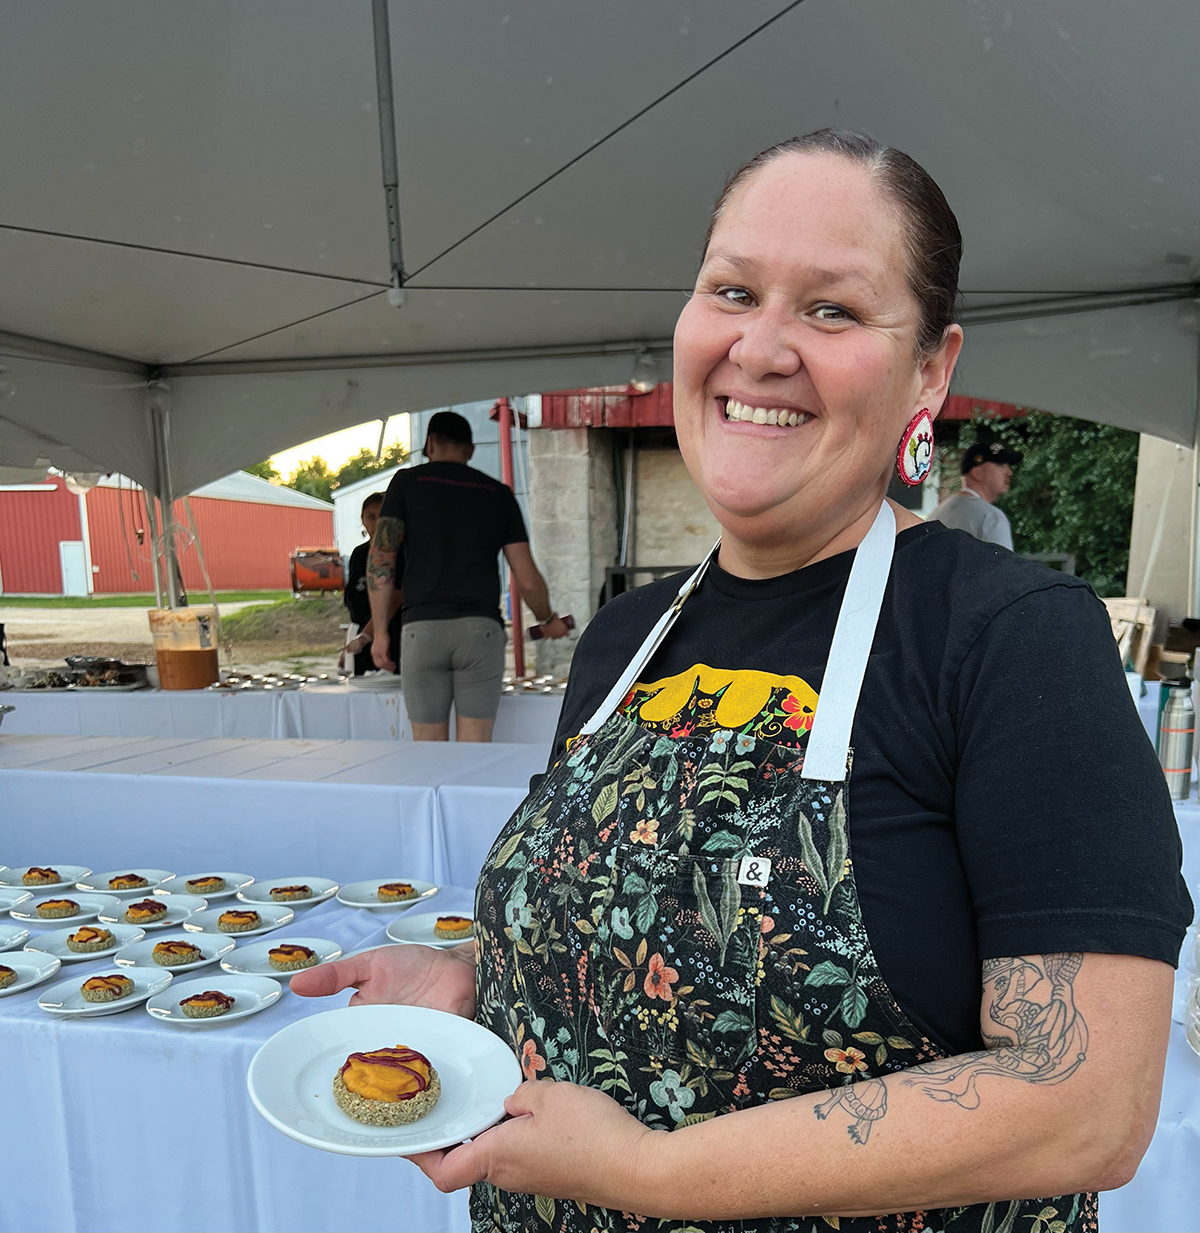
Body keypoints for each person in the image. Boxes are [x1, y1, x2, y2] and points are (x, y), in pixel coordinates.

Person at [295, 130, 1191, 1231]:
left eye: (833, 310)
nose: (761, 349)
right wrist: (487, 977)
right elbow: (657, 910)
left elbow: (1085, 1104)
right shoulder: (626, 640)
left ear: (930, 368)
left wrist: (653, 1177)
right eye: (732, 290)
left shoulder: (1008, 639)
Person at [366, 410, 568, 741]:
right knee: (475, 750)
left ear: (429, 444)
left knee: (428, 750)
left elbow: (381, 559)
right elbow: (526, 576)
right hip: (480, 632)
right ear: (471, 451)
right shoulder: (497, 494)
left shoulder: (405, 484)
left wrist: (381, 633)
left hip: (422, 629)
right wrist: (547, 619)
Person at [339, 492, 401, 676]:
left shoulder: (402, 553)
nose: (376, 524)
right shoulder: (359, 555)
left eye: (382, 517)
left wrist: (368, 635)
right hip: (360, 636)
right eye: (370, 517)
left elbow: (395, 599)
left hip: (390, 635)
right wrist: (351, 643)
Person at [928, 440, 1021, 549]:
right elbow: (1004, 566)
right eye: (1000, 464)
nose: (1009, 472)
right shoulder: (991, 517)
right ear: (977, 472)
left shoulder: (938, 514)